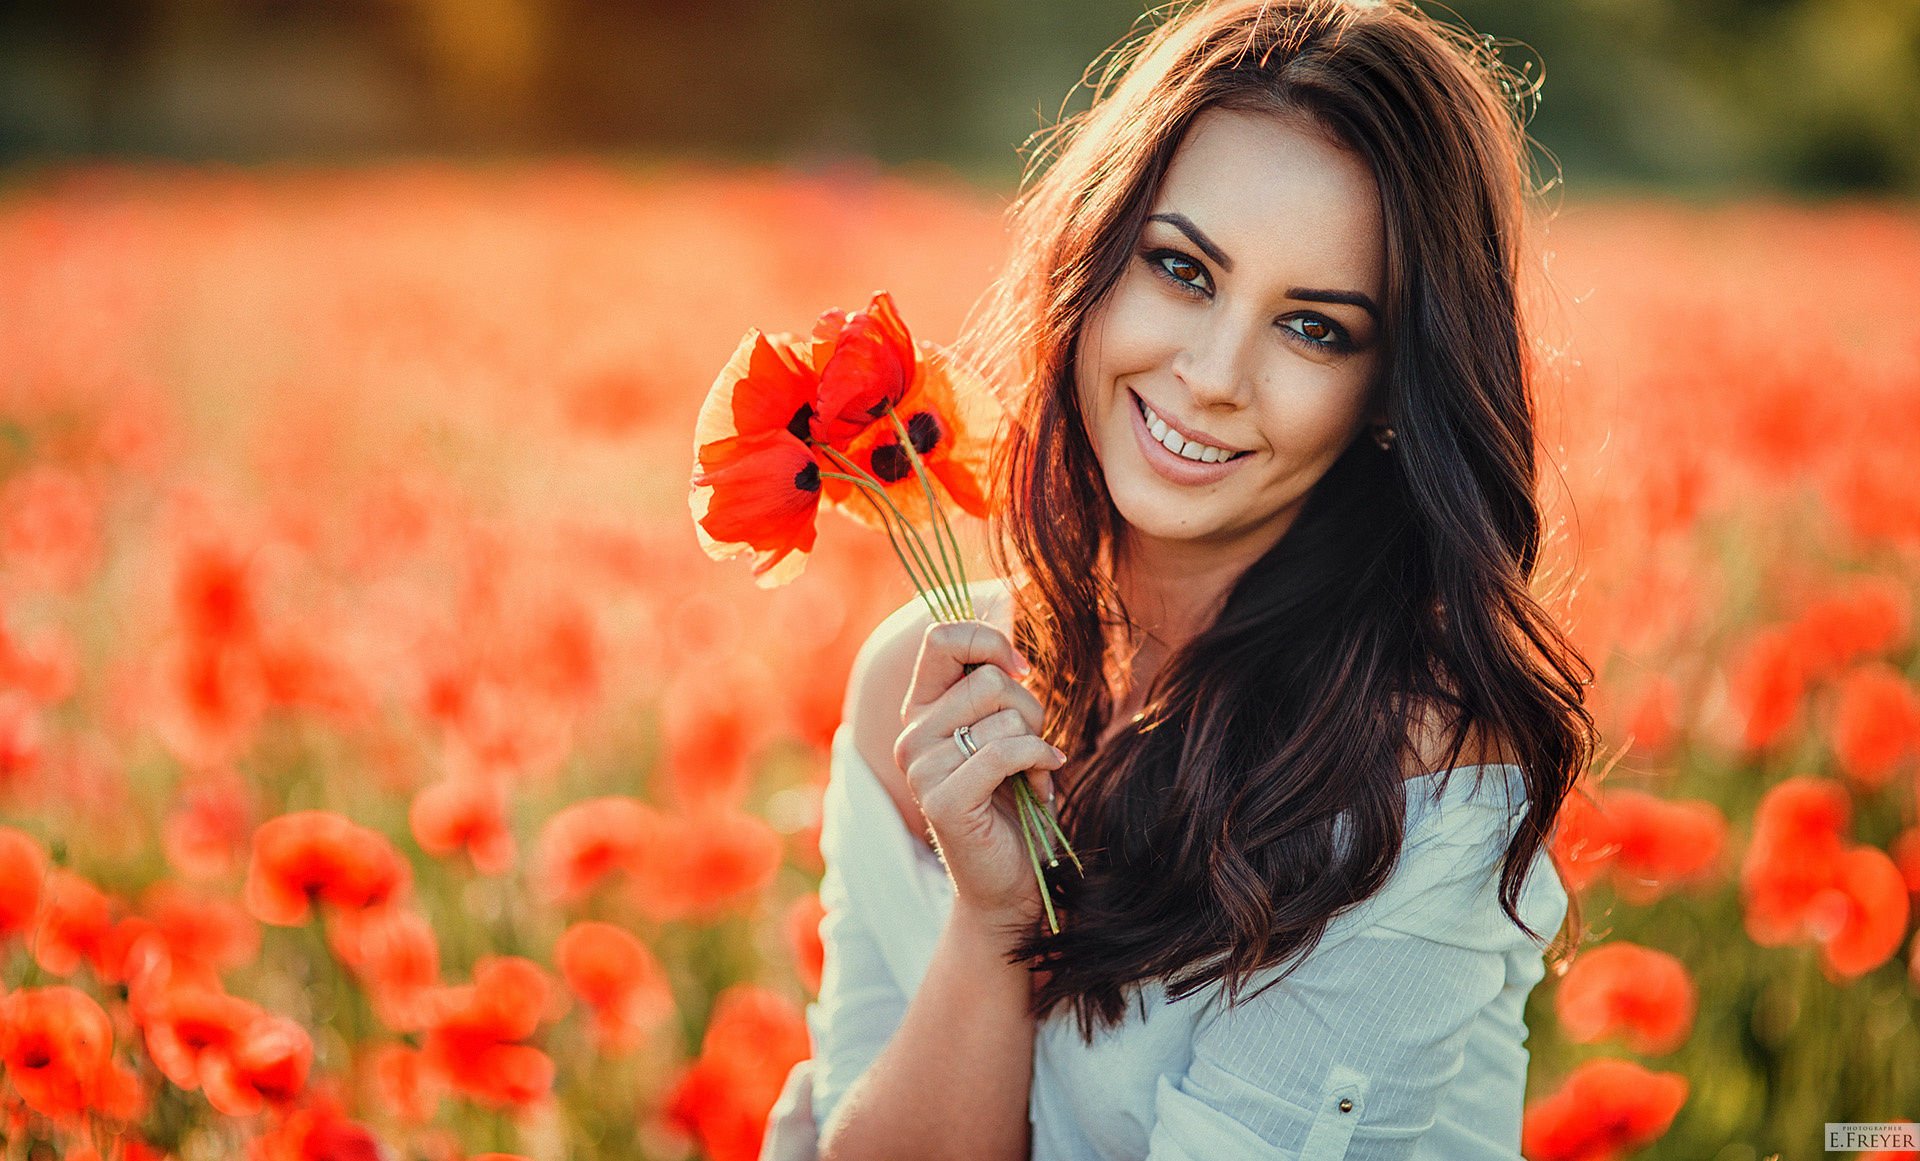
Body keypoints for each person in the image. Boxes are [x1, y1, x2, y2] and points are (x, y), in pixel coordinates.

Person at [762, 0, 1595, 1157]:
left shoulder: (1420, 774)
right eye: (1181, 269)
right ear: (1093, 264)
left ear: (1394, 398)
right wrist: (991, 920)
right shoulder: (922, 687)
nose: (1211, 376)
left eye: (1314, 329)